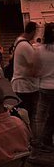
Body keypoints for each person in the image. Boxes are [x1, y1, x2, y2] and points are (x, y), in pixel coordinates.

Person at [11, 21, 39, 135]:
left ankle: (28, 134)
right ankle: (32, 135)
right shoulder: (25, 45)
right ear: (33, 31)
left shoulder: (19, 41)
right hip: (25, 85)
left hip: (20, 83)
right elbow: (35, 65)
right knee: (31, 113)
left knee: (25, 112)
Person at [34, 22, 54, 152]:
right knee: (52, 115)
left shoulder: (39, 50)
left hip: (43, 86)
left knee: (40, 116)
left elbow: (35, 70)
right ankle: (46, 139)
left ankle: (39, 141)